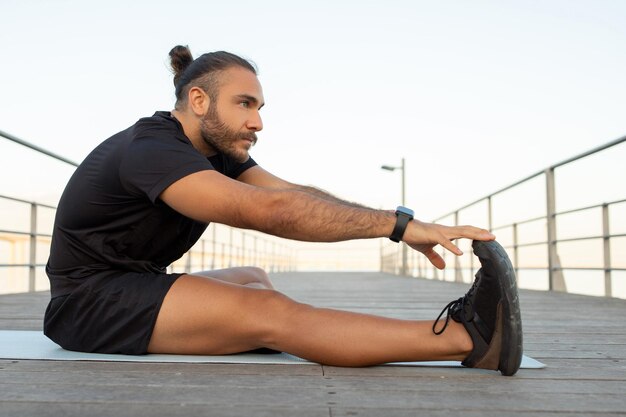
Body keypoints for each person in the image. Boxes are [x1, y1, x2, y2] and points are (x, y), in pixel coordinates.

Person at [44, 45, 522, 376]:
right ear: (197, 99)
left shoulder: (217, 151)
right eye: (245, 104)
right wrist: (395, 228)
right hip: (87, 304)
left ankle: (241, 326)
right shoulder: (153, 150)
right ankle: (468, 340)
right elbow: (270, 211)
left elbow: (290, 192)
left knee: (253, 277)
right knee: (269, 310)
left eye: (260, 106)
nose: (258, 121)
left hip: (135, 282)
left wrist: (406, 221)